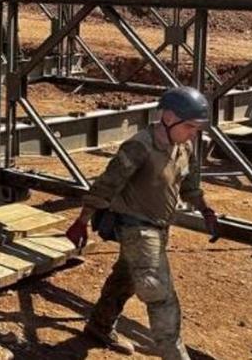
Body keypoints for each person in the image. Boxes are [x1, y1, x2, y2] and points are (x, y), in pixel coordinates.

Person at [65, 86, 220, 359]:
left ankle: (99, 326)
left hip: (160, 227)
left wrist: (205, 209)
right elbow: (107, 185)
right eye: (191, 126)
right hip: (135, 227)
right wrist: (82, 221)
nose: (195, 132)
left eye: (198, 127)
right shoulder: (140, 146)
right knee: (159, 294)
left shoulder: (186, 145)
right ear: (169, 118)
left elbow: (190, 187)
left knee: (125, 278)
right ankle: (175, 355)